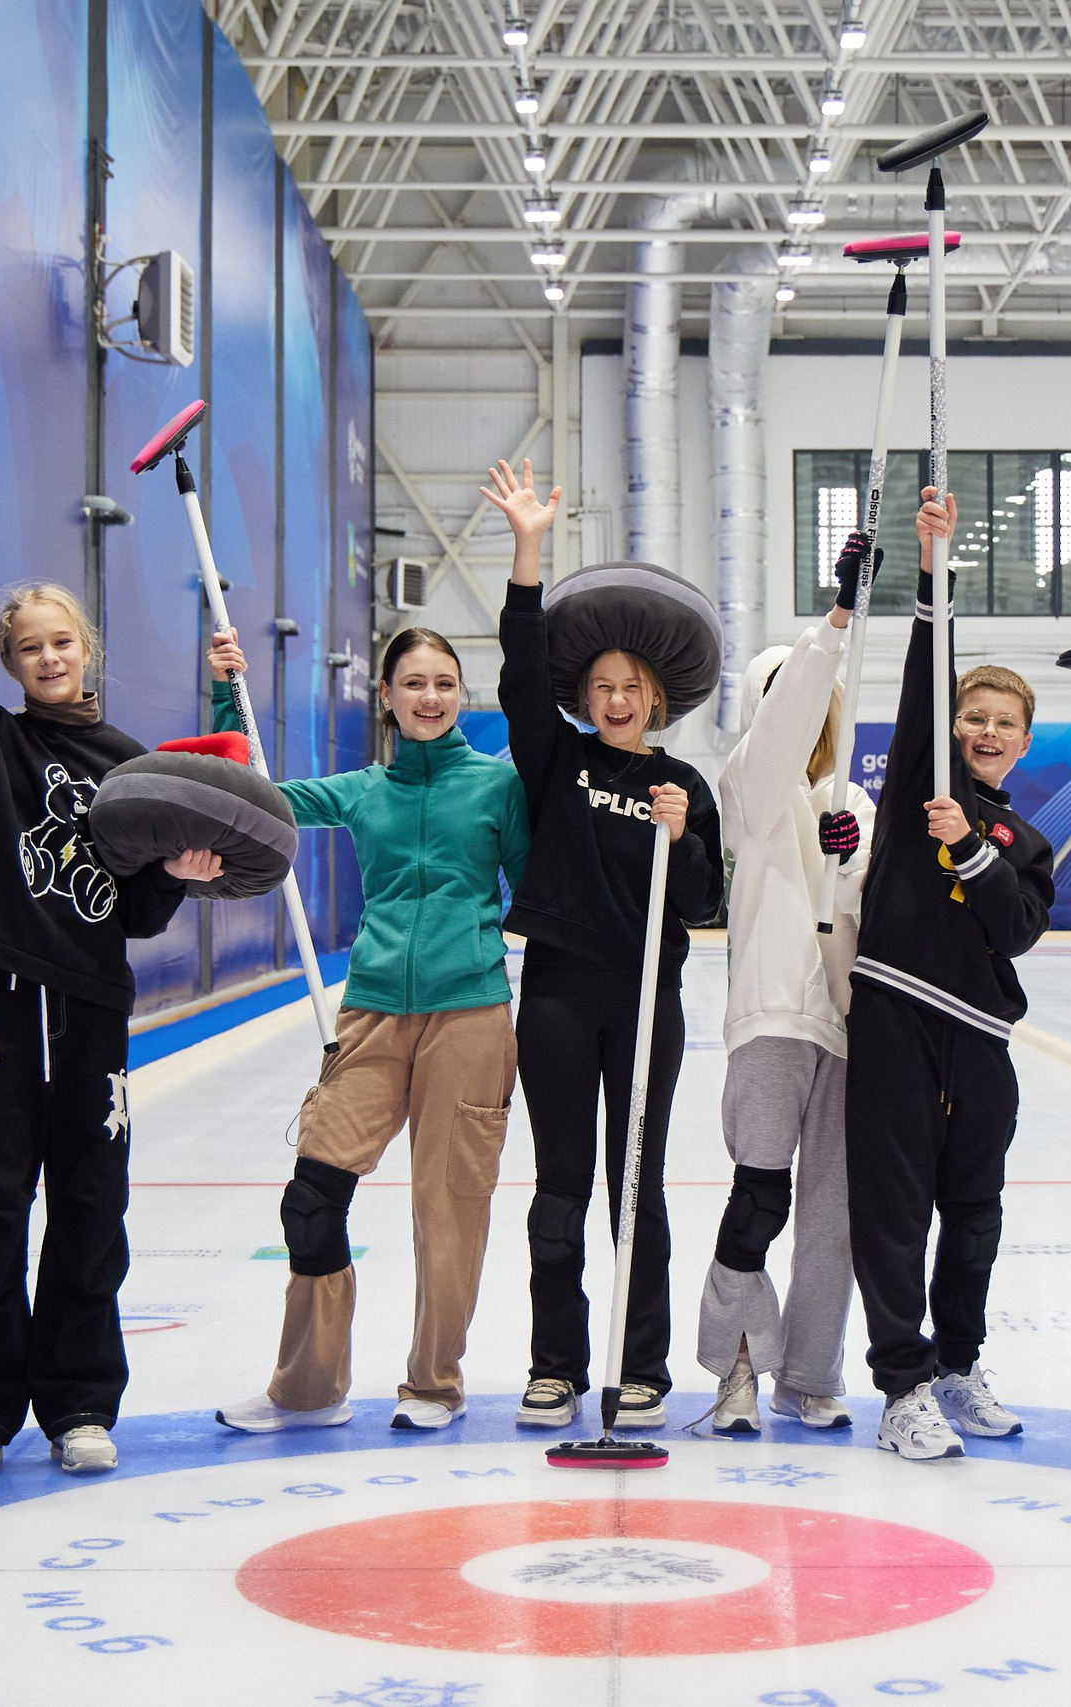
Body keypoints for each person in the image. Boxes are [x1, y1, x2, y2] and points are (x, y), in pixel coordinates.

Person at [0, 490, 220, 1479]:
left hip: (86, 1009)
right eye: (29, 646)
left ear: (88, 652)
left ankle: (78, 1401)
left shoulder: (129, 767)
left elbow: (136, 911)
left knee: (87, 1201)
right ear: (11, 662)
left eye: (60, 641)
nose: (47, 657)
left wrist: (177, 876)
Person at [208, 626, 532, 1434]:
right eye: (413, 684)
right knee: (313, 1196)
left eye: (444, 684)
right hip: (375, 1008)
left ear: (463, 696)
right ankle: (308, 1390)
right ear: (385, 698)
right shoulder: (362, 791)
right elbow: (254, 795)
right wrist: (227, 693)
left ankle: (434, 1382)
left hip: (471, 1011)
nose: (430, 697)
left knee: (449, 1205)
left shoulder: (499, 788)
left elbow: (535, 891)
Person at [483, 459, 724, 1430]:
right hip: (554, 993)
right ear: (582, 696)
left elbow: (704, 903)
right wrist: (527, 552)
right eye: (600, 685)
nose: (616, 698)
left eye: (631, 686)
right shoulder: (558, 764)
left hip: (644, 1002)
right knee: (560, 1186)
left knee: (639, 1189)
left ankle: (641, 1369)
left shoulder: (683, 786)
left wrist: (682, 837)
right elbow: (513, 675)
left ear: (654, 696)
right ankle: (554, 1366)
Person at [847, 489, 1057, 1462]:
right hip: (895, 1016)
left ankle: (958, 1365)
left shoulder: (1025, 839)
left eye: (999, 722)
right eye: (970, 715)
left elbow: (1014, 932)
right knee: (893, 1210)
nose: (980, 731)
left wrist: (974, 849)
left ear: (1022, 739)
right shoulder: (915, 797)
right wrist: (935, 574)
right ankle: (901, 1386)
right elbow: (921, 679)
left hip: (982, 1041)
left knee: (974, 1213)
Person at [698, 570, 877, 1434]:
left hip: (844, 1028)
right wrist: (835, 623)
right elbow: (782, 726)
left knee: (834, 1214)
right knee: (759, 1199)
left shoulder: (856, 804)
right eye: (791, 699)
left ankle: (808, 1371)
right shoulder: (752, 791)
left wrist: (852, 868)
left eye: (822, 703)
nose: (808, 715)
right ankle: (735, 1363)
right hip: (771, 1018)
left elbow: (863, 918)